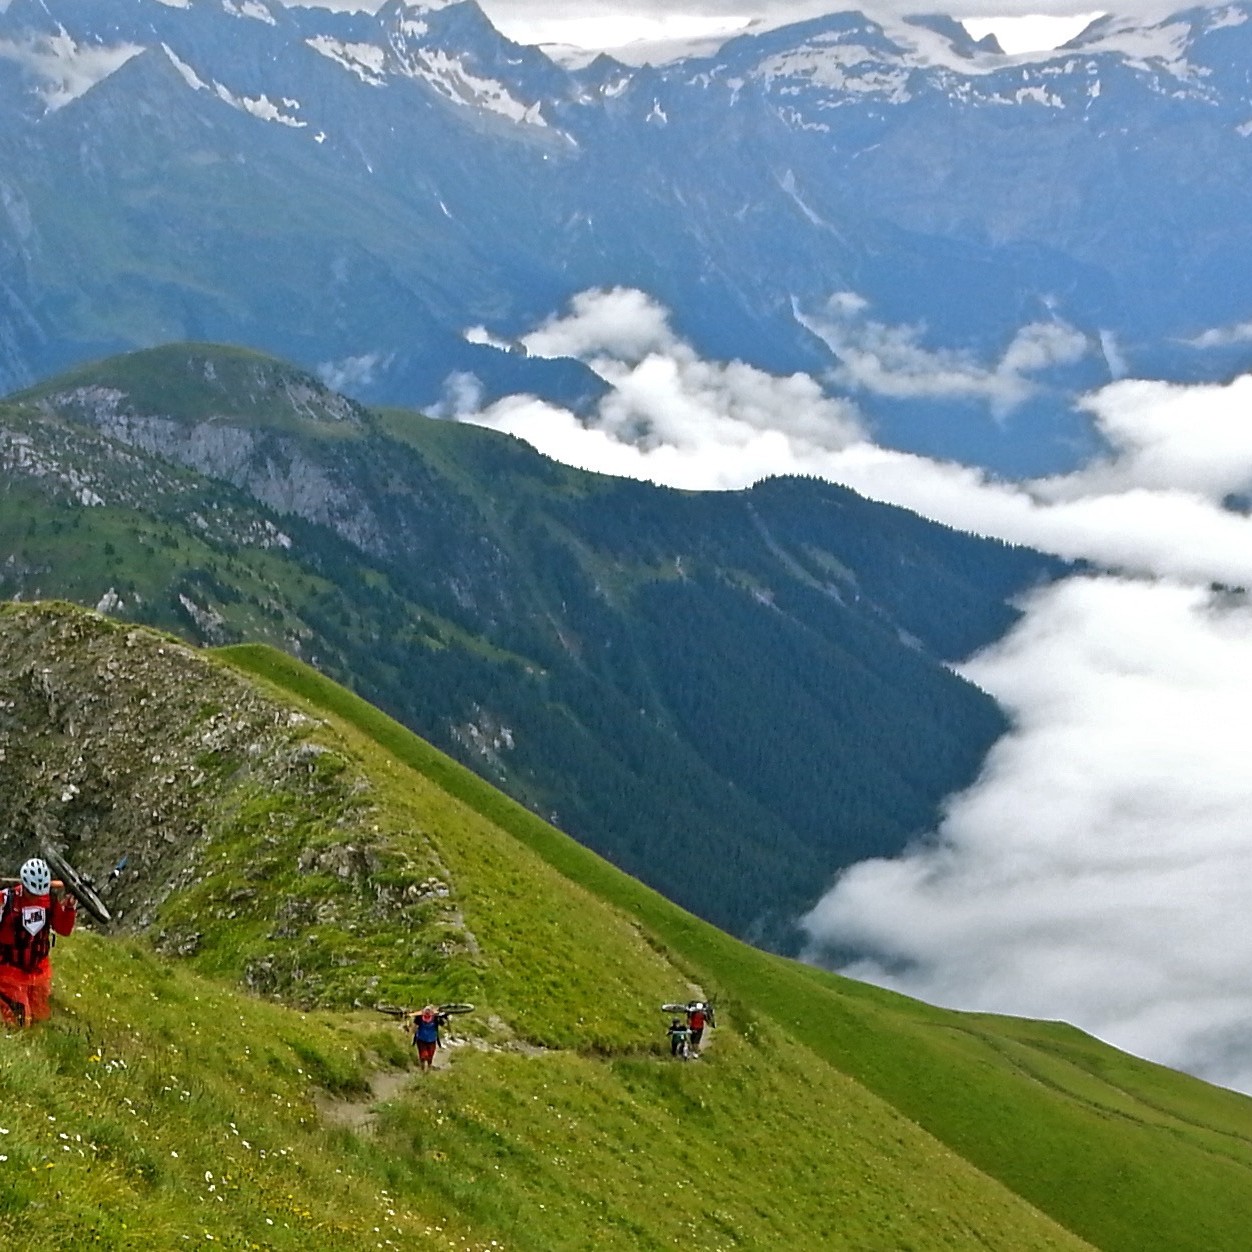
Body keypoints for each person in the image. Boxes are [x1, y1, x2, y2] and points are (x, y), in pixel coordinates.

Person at [0, 857, 77, 1028]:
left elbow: (63, 929)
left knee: (41, 1020)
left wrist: (69, 908)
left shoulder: (49, 900)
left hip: (39, 971)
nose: (35, 897)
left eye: (39, 894)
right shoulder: (6, 900)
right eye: (32, 894)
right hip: (9, 972)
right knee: (20, 1023)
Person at [412, 1005, 447, 1072]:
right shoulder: (419, 1018)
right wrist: (413, 1031)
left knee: (430, 1057)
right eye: (426, 1011)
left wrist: (443, 1017)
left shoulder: (436, 1018)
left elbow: (443, 1024)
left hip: (432, 1040)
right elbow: (415, 1026)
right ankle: (422, 1070)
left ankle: (428, 1071)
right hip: (421, 1039)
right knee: (423, 1056)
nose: (427, 1013)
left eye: (429, 1011)